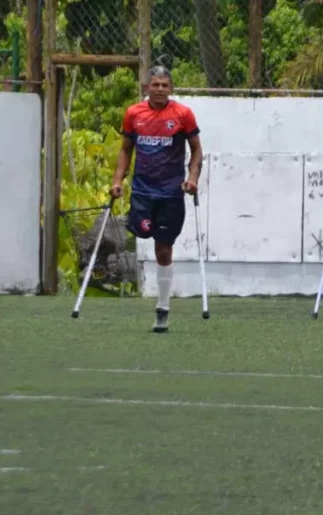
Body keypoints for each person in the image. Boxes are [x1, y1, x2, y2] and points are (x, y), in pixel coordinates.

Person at [111, 65, 203, 333]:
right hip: (142, 191)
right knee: (141, 233)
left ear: (171, 88)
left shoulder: (183, 115)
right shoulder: (133, 114)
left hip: (170, 192)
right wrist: (118, 180)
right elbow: (126, 150)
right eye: (155, 84)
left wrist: (193, 178)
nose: (160, 89)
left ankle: (162, 308)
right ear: (146, 87)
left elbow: (196, 151)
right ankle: (148, 230)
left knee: (163, 248)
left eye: (165, 85)